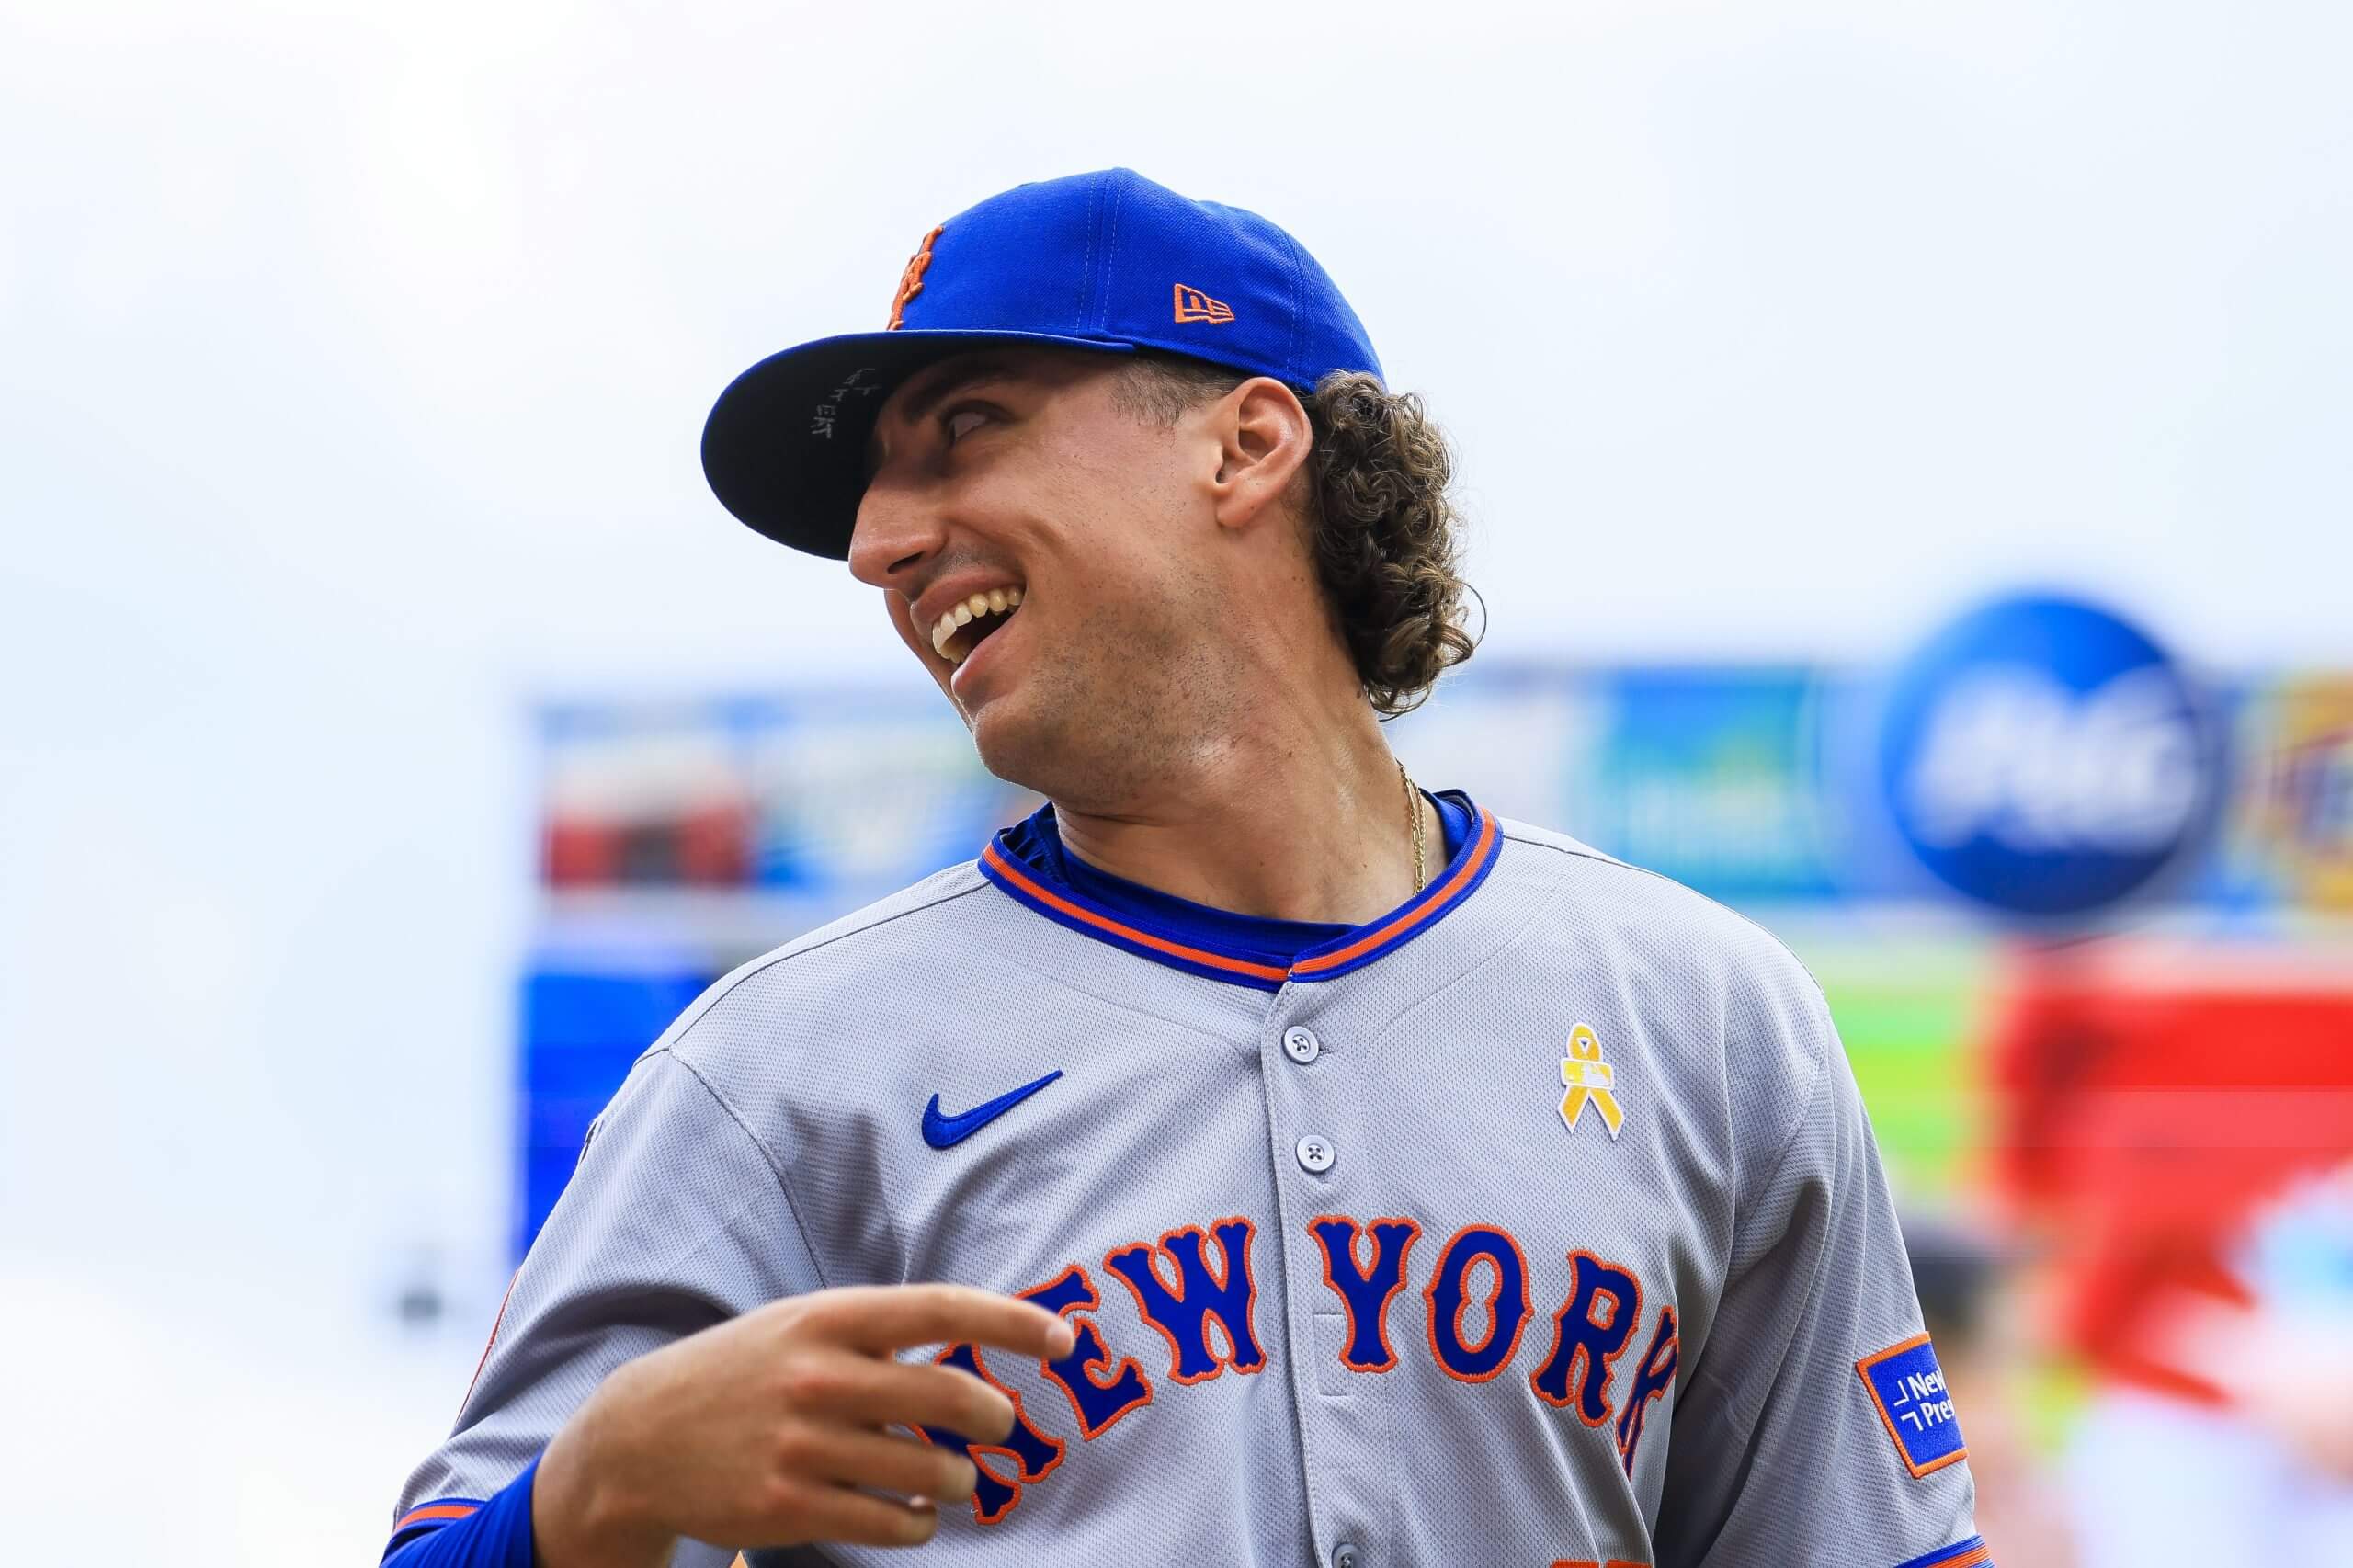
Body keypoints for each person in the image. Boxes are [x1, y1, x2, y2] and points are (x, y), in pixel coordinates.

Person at [383, 168, 1988, 1568]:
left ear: (1248, 442)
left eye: (965, 429)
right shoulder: (778, 1069)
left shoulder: (1703, 1020)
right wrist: (596, 1485)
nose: (876, 540)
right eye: (875, 487)